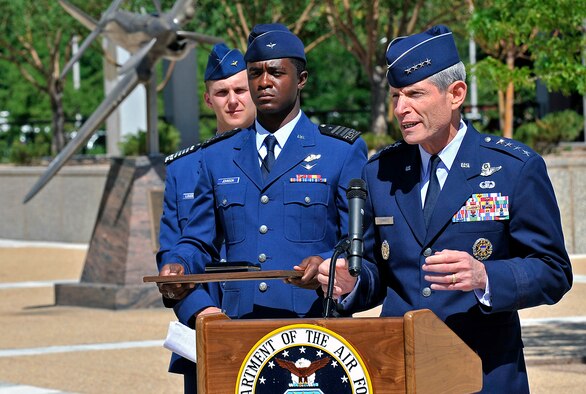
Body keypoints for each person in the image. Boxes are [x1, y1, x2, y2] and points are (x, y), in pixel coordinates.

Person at [316, 25, 572, 393]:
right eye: (395, 96)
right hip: (399, 371)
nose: (401, 109)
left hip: (481, 371)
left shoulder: (513, 168)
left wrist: (486, 277)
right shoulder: (380, 172)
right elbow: (377, 271)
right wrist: (352, 283)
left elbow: (553, 270)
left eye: (415, 94)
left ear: (456, 94)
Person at [158, 23, 367, 321]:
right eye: (255, 73)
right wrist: (178, 263)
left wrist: (326, 264)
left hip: (314, 324)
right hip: (238, 325)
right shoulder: (218, 155)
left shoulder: (341, 151)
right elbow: (198, 239)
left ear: (301, 79)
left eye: (276, 73)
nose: (264, 82)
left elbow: (358, 242)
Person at [156, 43, 255, 393]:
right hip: (204, 330)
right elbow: (172, 252)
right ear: (207, 99)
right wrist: (202, 312)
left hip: (265, 320)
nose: (233, 100)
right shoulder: (183, 169)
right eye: (222, 92)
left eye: (241, 90)